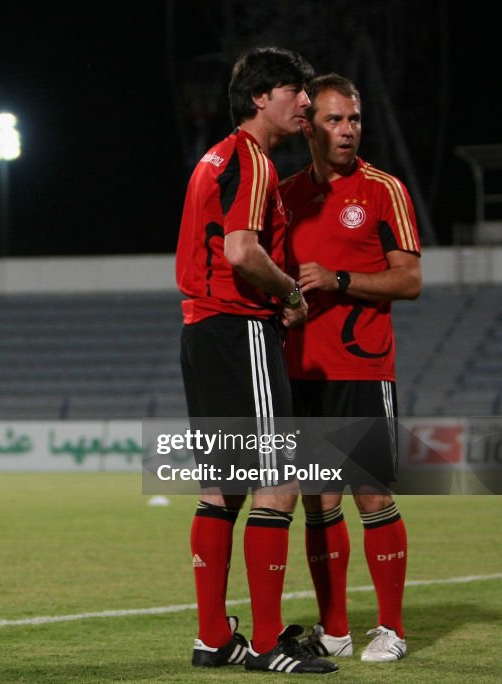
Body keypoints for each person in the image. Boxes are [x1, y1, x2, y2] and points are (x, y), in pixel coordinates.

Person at [176, 46, 338, 675]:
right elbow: (243, 252)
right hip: (239, 328)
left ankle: (214, 637)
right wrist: (291, 293)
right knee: (279, 484)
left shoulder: (213, 157)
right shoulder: (251, 160)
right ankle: (269, 643)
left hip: (202, 331)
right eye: (295, 90)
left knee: (220, 489)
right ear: (260, 98)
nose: (306, 101)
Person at [279, 73, 422, 663]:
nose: (346, 131)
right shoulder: (285, 195)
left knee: (369, 493)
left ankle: (392, 628)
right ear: (308, 126)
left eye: (354, 119)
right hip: (301, 371)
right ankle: (335, 629)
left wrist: (340, 281)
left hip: (363, 368)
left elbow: (410, 279)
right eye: (334, 120)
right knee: (318, 500)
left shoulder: (384, 189)